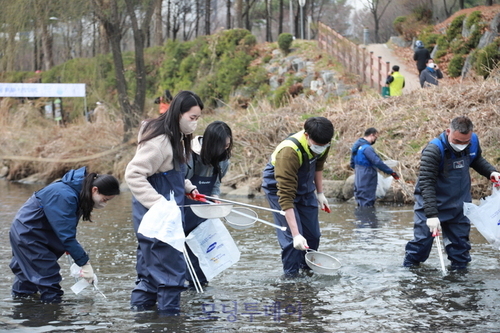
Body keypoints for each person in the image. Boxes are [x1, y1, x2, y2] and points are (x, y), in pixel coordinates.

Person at [125, 90, 203, 314]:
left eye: (198, 119)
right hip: (158, 218)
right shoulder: (160, 141)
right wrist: (159, 205)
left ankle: (142, 320)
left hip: (158, 216)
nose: (195, 124)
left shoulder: (173, 136)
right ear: (178, 114)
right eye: (192, 118)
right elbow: (134, 174)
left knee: (149, 273)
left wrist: (188, 188)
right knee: (171, 273)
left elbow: (169, 173)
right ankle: (169, 322)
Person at [9, 167, 120, 303]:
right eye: (105, 199)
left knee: (26, 279)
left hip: (36, 233)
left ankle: (23, 311)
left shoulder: (77, 193)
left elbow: (63, 227)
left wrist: (73, 254)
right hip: (30, 235)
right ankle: (53, 318)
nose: (105, 204)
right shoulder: (65, 195)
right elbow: (66, 235)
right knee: (49, 281)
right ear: (95, 190)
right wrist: (84, 263)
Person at [403, 116, 500, 270]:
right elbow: (426, 183)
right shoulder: (434, 150)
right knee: (421, 245)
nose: (461, 145)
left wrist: (491, 172)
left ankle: (459, 281)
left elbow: (476, 160)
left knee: (460, 248)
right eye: (457, 141)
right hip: (433, 204)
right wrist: (431, 215)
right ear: (448, 132)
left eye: (465, 142)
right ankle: (409, 271)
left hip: (459, 205)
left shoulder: (473, 141)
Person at [262, 117, 334, 277]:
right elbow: (286, 197)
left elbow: (318, 166)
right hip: (279, 189)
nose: (321, 148)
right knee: (292, 241)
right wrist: (295, 234)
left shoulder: (324, 141)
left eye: (324, 146)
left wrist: (320, 193)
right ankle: (291, 279)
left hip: (305, 186)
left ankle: (307, 271)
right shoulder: (288, 152)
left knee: (313, 235)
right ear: (307, 135)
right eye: (317, 145)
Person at [184, 121, 233, 287]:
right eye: (222, 146)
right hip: (183, 210)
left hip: (203, 212)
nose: (225, 149)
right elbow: (177, 182)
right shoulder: (189, 156)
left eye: (227, 145)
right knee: (182, 256)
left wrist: (214, 196)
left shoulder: (223, 160)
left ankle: (199, 290)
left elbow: (216, 184)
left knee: (201, 258)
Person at [350, 128, 399, 207]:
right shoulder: (367, 148)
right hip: (367, 174)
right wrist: (391, 172)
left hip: (359, 174)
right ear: (371, 135)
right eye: (375, 137)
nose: (375, 140)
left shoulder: (357, 146)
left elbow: (352, 163)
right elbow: (377, 162)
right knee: (368, 198)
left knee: (360, 197)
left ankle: (360, 217)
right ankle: (369, 218)